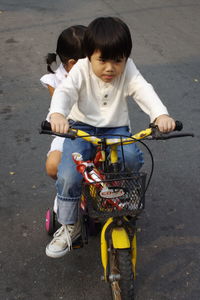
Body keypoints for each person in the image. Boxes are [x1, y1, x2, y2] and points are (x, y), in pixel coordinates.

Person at [46, 17, 175, 258]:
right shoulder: (81, 70)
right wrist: (57, 114)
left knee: (132, 159)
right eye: (102, 60)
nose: (110, 68)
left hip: (116, 129)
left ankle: (123, 202)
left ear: (126, 57)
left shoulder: (128, 69)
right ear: (88, 56)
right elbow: (64, 92)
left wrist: (160, 115)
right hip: (81, 128)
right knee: (68, 173)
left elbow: (142, 89)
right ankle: (68, 225)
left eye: (118, 60)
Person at [40, 25, 87, 180]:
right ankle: (66, 194)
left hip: (98, 126)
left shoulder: (100, 71)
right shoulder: (55, 80)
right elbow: (60, 106)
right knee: (53, 167)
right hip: (70, 130)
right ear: (73, 63)